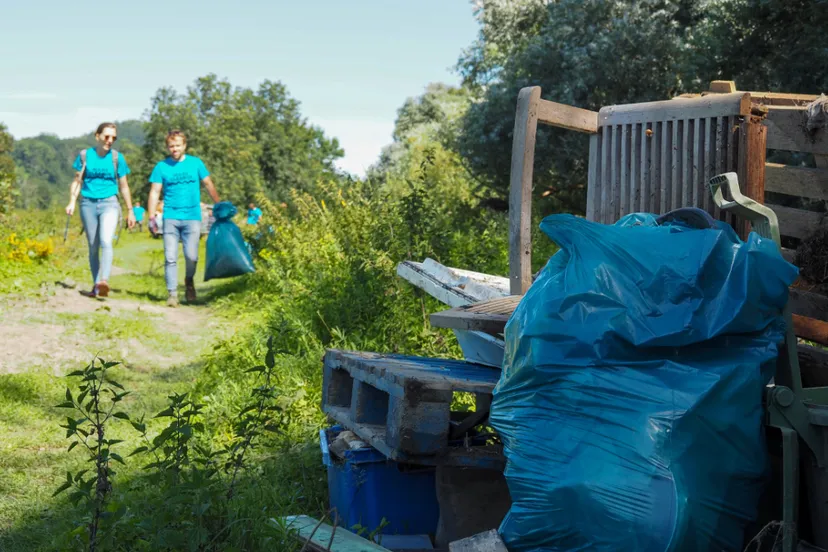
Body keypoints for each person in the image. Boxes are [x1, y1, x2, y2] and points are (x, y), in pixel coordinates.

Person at [147, 130, 220, 307]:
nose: (174, 149)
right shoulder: (161, 167)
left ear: (184, 146)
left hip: (192, 216)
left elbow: (208, 183)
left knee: (192, 256)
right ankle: (172, 294)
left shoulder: (196, 163)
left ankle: (189, 281)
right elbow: (155, 191)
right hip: (170, 216)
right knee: (170, 257)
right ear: (167, 147)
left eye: (178, 145)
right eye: (171, 146)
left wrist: (218, 203)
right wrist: (151, 217)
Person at [65, 122, 136, 298]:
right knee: (93, 246)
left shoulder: (117, 158)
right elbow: (77, 181)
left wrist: (130, 210)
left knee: (106, 240)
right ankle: (96, 285)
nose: (110, 140)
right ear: (97, 136)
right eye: (106, 136)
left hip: (110, 203)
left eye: (113, 137)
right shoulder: (85, 156)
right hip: (88, 203)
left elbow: (124, 186)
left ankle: (103, 280)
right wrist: (72, 201)